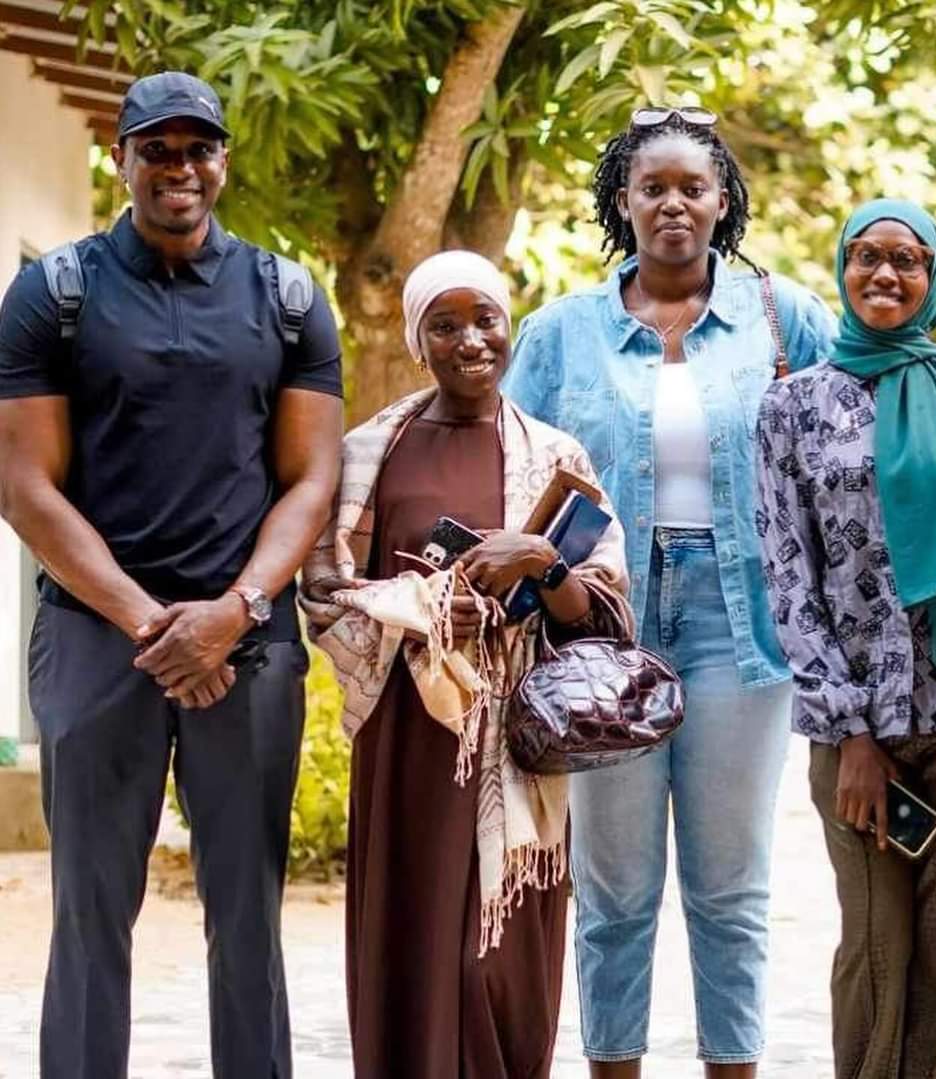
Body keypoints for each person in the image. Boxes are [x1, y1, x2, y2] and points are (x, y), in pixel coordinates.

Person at [0, 72, 343, 1078]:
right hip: (96, 636)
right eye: (157, 148)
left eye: (198, 148)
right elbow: (23, 484)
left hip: (247, 644)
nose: (178, 166)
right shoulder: (55, 293)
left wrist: (235, 611)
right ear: (122, 159)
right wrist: (155, 624)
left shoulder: (286, 298)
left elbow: (312, 478)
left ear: (223, 160)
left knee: (249, 911)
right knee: (89, 908)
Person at [502, 107, 836, 1077]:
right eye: (653, 187)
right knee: (614, 889)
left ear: (723, 200)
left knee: (731, 888)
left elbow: (848, 439)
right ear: (624, 200)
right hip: (603, 627)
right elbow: (507, 464)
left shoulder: (784, 317)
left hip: (742, 624)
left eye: (694, 187)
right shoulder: (562, 333)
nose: (674, 204)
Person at [300, 250, 632, 1079]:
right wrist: (416, 608)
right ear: (419, 342)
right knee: (409, 938)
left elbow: (601, 619)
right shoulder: (370, 453)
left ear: (508, 326)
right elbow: (326, 591)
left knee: (498, 961)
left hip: (517, 737)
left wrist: (539, 562)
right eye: (445, 326)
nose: (471, 340)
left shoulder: (555, 456)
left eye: (485, 319)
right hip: (409, 732)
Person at [755, 197, 936, 1079]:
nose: (885, 273)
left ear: (933, 276)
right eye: (867, 256)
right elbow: (788, 576)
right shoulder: (793, 406)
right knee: (874, 947)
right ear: (843, 268)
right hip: (856, 723)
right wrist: (850, 729)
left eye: (908, 259)